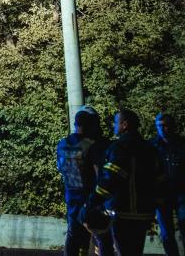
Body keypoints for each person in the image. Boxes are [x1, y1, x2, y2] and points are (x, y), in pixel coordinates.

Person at [84, 110, 160, 256]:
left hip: (123, 211)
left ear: (124, 125)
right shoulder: (150, 148)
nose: (113, 125)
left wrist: (91, 203)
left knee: (123, 251)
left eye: (116, 121)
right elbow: (159, 179)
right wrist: (157, 202)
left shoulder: (119, 148)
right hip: (144, 212)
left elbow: (109, 180)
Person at [57, 106, 105, 256]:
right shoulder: (91, 145)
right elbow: (99, 173)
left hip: (71, 195)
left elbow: (60, 167)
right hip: (89, 196)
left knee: (73, 234)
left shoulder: (62, 144)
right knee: (97, 235)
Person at [153, 113, 185, 256]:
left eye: (164, 125)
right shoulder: (153, 145)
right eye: (158, 126)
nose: (161, 129)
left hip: (181, 192)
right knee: (166, 232)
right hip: (162, 193)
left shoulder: (181, 143)